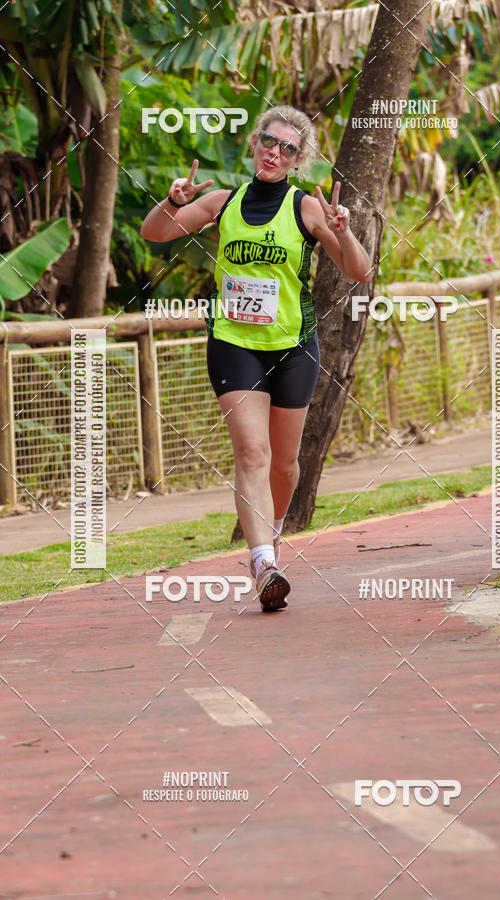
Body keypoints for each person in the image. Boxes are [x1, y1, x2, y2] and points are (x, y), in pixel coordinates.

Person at [141, 105, 371, 612]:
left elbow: (358, 270)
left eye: (289, 148)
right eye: (270, 140)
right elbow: (155, 233)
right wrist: (171, 201)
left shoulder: (306, 210)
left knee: (284, 465)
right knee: (251, 452)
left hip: (293, 347)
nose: (275, 152)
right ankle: (264, 561)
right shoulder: (223, 202)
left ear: (297, 161)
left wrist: (344, 229)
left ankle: (272, 534)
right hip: (234, 342)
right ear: (254, 143)